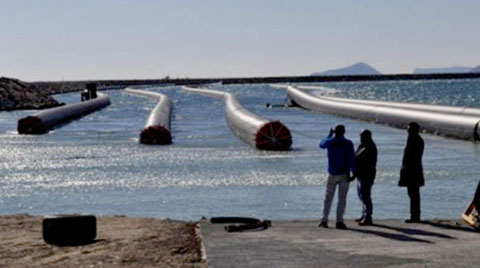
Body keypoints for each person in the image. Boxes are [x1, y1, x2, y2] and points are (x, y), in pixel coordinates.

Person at [319, 124, 356, 229]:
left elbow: (321, 144)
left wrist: (329, 135)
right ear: (344, 132)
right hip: (344, 173)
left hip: (332, 173)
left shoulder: (330, 142)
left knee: (328, 198)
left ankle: (324, 220)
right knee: (342, 199)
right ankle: (339, 221)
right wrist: (354, 172)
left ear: (334, 132)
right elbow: (352, 158)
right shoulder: (348, 143)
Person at [399, 122, 424, 223]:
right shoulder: (416, 139)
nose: (407, 131)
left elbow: (410, 158)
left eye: (409, 129)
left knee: (413, 194)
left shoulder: (414, 140)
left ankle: (415, 216)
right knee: (413, 194)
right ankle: (415, 215)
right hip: (414, 170)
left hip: (413, 171)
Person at [354, 129, 377, 226]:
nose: (361, 138)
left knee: (366, 195)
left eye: (362, 136)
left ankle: (368, 217)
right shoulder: (362, 145)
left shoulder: (370, 146)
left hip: (367, 174)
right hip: (361, 173)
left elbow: (358, 157)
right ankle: (364, 215)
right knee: (361, 195)